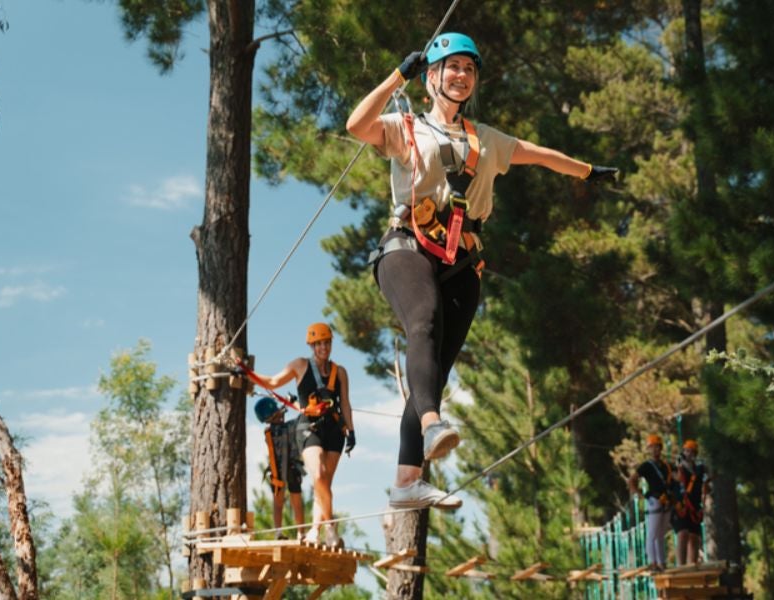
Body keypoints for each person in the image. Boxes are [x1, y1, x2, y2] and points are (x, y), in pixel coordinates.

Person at [346, 32, 618, 510]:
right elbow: (355, 125)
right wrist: (397, 76)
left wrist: (588, 171)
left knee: (435, 366)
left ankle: (406, 481)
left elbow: (541, 155)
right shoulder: (405, 127)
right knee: (423, 323)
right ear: (432, 77)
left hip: (463, 259)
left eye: (469, 69)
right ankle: (432, 424)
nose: (461, 75)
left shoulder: (486, 140)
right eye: (451, 67)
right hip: (408, 245)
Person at [252, 323, 356, 546]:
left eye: (327, 343)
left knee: (324, 484)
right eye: (319, 344)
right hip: (309, 426)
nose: (323, 348)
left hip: (334, 429)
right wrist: (247, 373)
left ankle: (316, 531)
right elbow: (272, 382)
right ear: (312, 345)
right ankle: (329, 527)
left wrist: (351, 430)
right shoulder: (300, 365)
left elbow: (345, 403)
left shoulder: (340, 372)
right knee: (318, 475)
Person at [253, 396, 306, 539]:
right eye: (278, 412)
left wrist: (283, 405)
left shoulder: (269, 432)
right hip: (291, 468)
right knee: (296, 501)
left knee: (278, 503)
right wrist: (294, 402)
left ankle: (278, 532)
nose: (282, 413)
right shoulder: (287, 428)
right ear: (273, 416)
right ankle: (301, 532)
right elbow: (303, 416)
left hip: (276, 472)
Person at [629, 433, 672, 570]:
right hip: (654, 499)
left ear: (660, 448)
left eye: (657, 447)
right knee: (653, 532)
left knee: (660, 533)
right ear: (649, 449)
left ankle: (661, 562)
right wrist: (639, 493)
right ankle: (653, 562)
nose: (655, 450)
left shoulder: (666, 466)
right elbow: (632, 479)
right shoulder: (646, 466)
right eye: (652, 447)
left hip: (665, 500)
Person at [671, 439, 709, 565]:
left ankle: (692, 564)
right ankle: (681, 565)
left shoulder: (699, 470)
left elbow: (709, 476)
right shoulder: (679, 469)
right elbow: (673, 477)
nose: (689, 454)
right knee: (683, 534)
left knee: (694, 537)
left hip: (694, 507)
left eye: (692, 452)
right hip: (681, 506)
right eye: (687, 451)